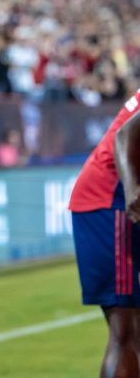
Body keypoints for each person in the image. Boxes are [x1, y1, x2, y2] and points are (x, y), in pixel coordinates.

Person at [70, 88, 140, 378]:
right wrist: (133, 189)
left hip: (120, 201)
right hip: (110, 203)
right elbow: (125, 136)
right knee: (128, 333)